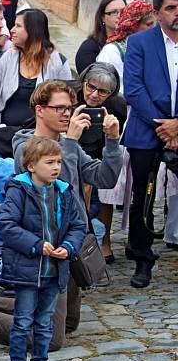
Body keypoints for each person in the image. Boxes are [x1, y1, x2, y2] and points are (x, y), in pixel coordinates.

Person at [0, 81, 123, 350]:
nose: (66, 114)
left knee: (67, 324)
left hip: (68, 246)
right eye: (59, 108)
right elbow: (58, 185)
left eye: (69, 108)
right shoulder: (26, 146)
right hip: (40, 250)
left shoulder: (66, 144)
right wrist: (69, 142)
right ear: (40, 110)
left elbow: (106, 178)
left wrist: (113, 141)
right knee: (52, 339)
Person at [0, 137, 85, 361]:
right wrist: (36, 244)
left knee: (45, 323)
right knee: (22, 321)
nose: (56, 167)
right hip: (27, 270)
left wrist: (68, 247)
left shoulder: (63, 191)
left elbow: (78, 225)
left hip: (55, 269)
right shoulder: (19, 190)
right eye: (50, 162)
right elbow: (8, 225)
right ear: (31, 166)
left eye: (58, 161)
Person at [122, 0, 178, 288]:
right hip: (147, 129)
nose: (177, 13)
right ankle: (142, 258)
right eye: (170, 7)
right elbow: (133, 88)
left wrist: (177, 125)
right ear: (156, 13)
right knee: (142, 195)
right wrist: (164, 126)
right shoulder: (140, 42)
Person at [73, 63, 127, 261]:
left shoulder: (117, 107)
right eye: (91, 87)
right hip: (71, 146)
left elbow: (113, 141)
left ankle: (104, 242)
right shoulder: (70, 96)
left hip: (99, 148)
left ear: (111, 93)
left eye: (103, 92)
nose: (95, 95)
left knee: (103, 193)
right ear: (84, 83)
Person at [0, 9, 71, 130]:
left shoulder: (58, 63)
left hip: (43, 139)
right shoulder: (5, 58)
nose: (12, 30)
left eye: (18, 26)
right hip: (4, 136)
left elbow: (67, 102)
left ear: (33, 31)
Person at [97, 0, 156, 95]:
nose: (153, 29)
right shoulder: (112, 51)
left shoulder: (153, 48)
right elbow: (111, 87)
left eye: (154, 24)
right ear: (133, 26)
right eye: (148, 24)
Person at [75, 0, 126, 74]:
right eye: (114, 12)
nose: (120, 16)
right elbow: (89, 81)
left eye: (124, 11)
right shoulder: (89, 48)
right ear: (103, 18)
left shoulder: (132, 42)